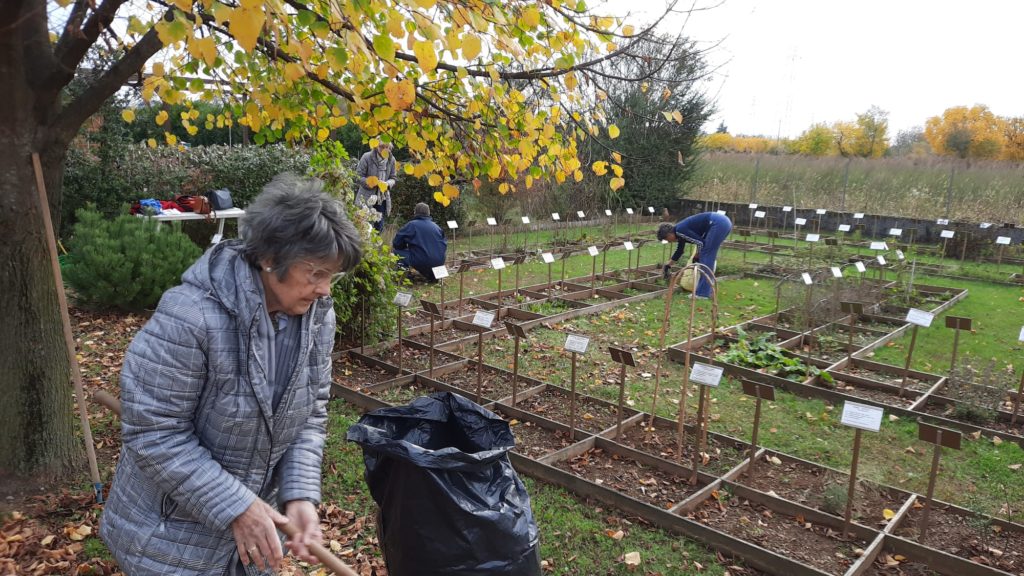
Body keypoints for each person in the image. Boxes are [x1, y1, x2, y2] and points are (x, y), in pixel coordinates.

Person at [100, 173, 363, 575]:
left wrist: (300, 495)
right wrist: (236, 505)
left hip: (251, 543)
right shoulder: (189, 317)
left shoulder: (315, 318)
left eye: (332, 275)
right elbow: (155, 433)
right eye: (316, 274)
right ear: (271, 258)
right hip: (172, 538)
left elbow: (310, 412)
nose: (325, 290)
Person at [657, 211, 733, 298]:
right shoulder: (679, 231)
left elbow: (700, 243)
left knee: (706, 255)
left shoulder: (680, 231)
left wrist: (698, 255)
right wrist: (668, 264)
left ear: (669, 234)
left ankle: (702, 294)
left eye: (667, 239)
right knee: (707, 255)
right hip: (721, 222)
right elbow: (680, 250)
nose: (669, 242)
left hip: (717, 223)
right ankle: (707, 290)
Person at [392, 202, 448, 282]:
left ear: (415, 212)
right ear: (428, 213)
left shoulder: (412, 225)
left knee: (396, 252)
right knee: (427, 256)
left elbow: (397, 243)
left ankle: (405, 276)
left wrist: (404, 247)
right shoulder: (436, 227)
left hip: (422, 261)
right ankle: (432, 277)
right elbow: (444, 244)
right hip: (439, 262)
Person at [354, 141, 396, 233]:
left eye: (387, 147)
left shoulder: (391, 160)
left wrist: (387, 184)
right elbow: (357, 176)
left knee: (379, 227)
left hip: (382, 198)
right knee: (362, 225)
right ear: (376, 146)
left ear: (390, 148)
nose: (384, 149)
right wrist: (373, 182)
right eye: (381, 146)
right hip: (366, 197)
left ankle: (375, 247)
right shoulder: (367, 157)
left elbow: (393, 178)